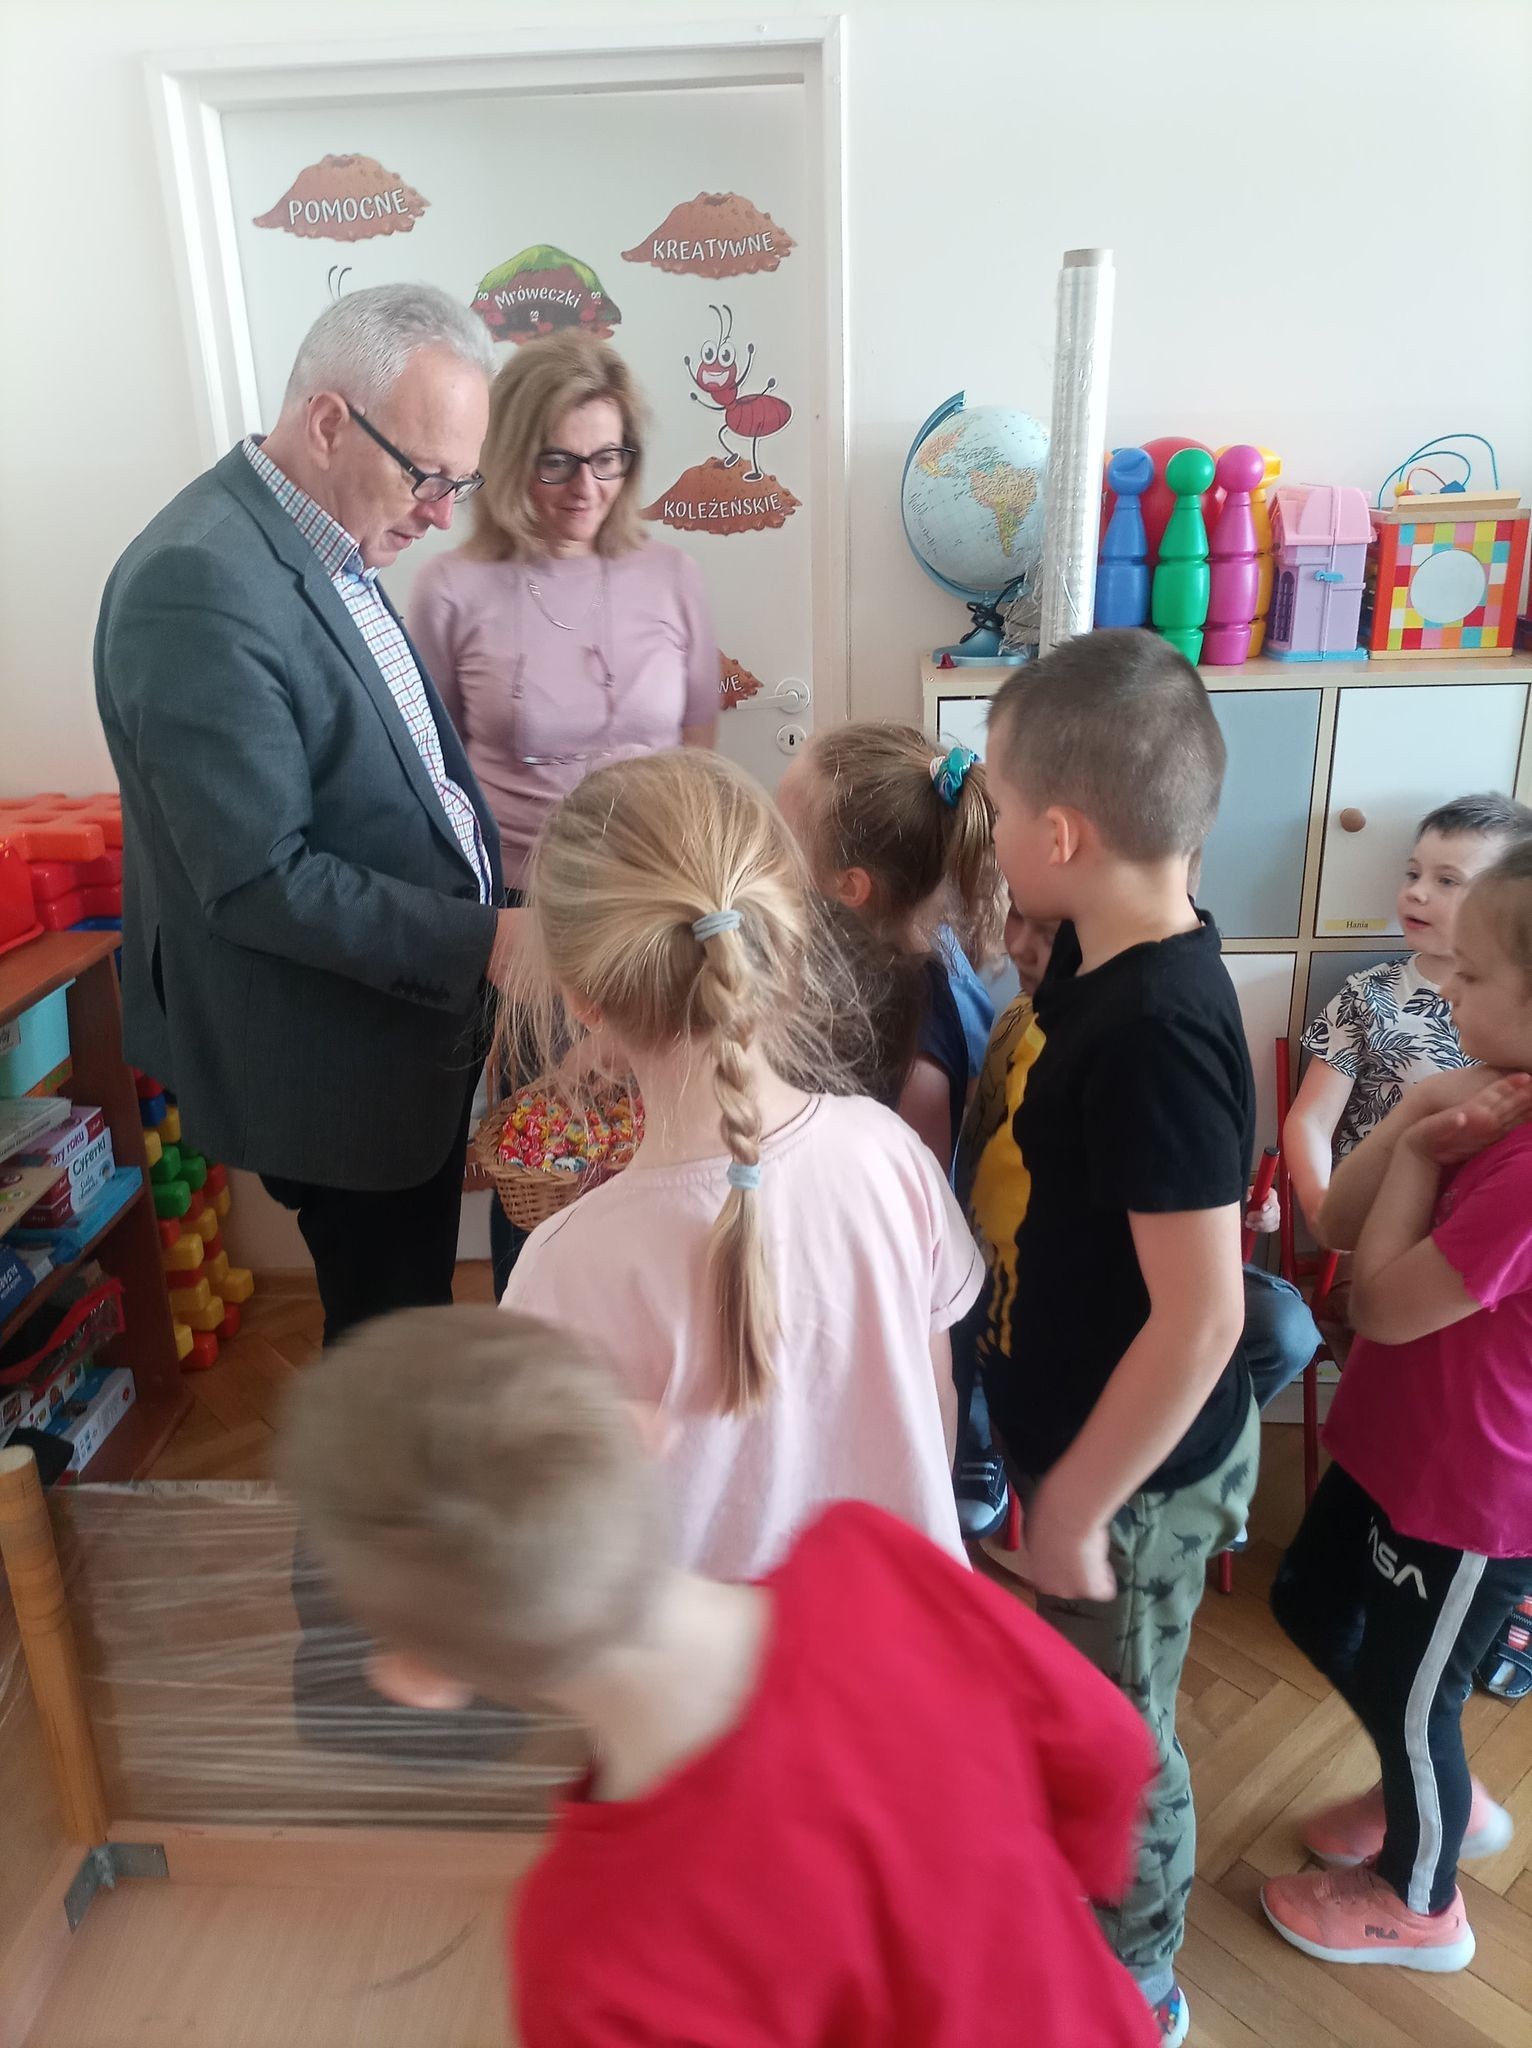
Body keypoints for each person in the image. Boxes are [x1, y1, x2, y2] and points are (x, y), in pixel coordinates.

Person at [279, 1302, 1162, 2048]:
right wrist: (1040, 1910)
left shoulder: (587, 1953)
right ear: (642, 1431)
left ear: (425, 1677)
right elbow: (1109, 1748)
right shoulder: (871, 1559)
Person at [95, 284, 520, 1344]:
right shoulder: (198, 578)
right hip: (338, 1052)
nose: (441, 512)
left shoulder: (324, 537)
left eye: (459, 483)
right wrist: (488, 940)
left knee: (408, 1314)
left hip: (402, 1014)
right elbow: (257, 877)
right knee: (390, 1341)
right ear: (329, 421)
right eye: (427, 476)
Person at [973, 629, 1260, 2047]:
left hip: (1131, 1482)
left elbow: (1203, 1314)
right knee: (1083, 1699)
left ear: (1063, 835)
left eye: (998, 811)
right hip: (1088, 1443)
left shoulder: (1156, 1029)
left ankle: (1136, 1985)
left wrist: (1080, 1503)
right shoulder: (1103, 951)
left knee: (1121, 1733)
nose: (990, 836)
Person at [498, 748, 982, 1580]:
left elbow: (564, 1557)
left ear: (581, 997)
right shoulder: (891, 1156)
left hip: (712, 1664)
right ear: (785, 948)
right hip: (907, 1629)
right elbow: (934, 1415)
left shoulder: (561, 1269)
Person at [1262, 841, 1532, 1973]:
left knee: (1411, 1690)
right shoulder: (1481, 1097)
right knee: (1312, 1602)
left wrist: (1423, 1148)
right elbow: (1333, 1224)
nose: (1448, 991)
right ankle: (1428, 1785)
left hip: (1468, 1495)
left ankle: (1421, 1903)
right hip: (1398, 1448)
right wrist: (1425, 1099)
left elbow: (1376, 1303)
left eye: (1472, 975)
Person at [406, 332, 719, 1300]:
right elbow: (427, 778)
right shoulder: (451, 589)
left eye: (607, 457)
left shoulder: (670, 574)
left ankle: (654, 1339)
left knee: (664, 1147)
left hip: (659, 910)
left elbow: (697, 742)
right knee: (552, 1159)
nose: (586, 487)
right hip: (530, 923)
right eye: (557, 461)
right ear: (509, 459)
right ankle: (539, 1337)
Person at [960, 899, 1318, 1426]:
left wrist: (1234, 1206)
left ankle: (1172, 1427)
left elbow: (1163, 1169)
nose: (1017, 946)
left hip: (1112, 1260)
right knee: (1279, 1328)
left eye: (1052, 934)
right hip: (1050, 1276)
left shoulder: (1129, 1026)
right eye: (1018, 915)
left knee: (1284, 1327)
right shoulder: (1051, 1027)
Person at [1283, 793, 1532, 1232]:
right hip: (1374, 1215)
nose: (1417, 891)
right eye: (1413, 873)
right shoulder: (1367, 994)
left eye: (1448, 881)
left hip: (1482, 1220)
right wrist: (1321, 1203)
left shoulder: (1514, 1017)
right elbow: (1312, 1118)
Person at [777, 723, 1001, 1171]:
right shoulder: (877, 952)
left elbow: (911, 1198)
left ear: (850, 886)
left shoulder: (919, 1056)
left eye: (781, 842)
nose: (766, 855)